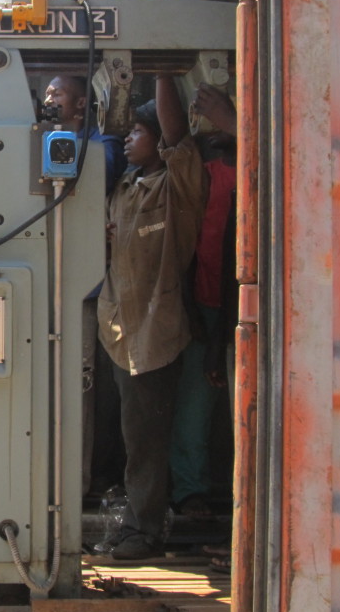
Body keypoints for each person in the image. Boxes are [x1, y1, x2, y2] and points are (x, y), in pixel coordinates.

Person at [97, 76, 204, 560]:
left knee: (147, 440)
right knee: (129, 437)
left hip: (154, 334)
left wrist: (164, 67)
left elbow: (178, 138)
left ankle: (145, 532)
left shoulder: (176, 185)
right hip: (119, 332)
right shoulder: (124, 186)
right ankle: (135, 523)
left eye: (138, 132)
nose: (127, 139)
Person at [43, 75, 129, 501]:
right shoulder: (40, 141)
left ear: (80, 105)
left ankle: (71, 494)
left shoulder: (104, 147)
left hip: (86, 292)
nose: (48, 99)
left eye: (57, 94)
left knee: (79, 390)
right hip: (45, 287)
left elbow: (98, 172)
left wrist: (62, 140)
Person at [170, 84, 238, 520]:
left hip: (245, 307)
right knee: (192, 411)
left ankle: (244, 501)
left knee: (245, 409)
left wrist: (230, 119)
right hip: (204, 300)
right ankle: (190, 493)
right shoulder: (205, 164)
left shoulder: (257, 163)